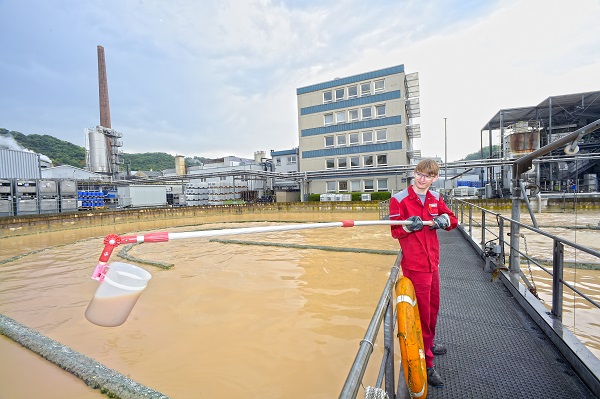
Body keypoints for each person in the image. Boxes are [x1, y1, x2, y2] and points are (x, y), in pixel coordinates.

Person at [389, 159, 458, 388]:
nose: (421, 179)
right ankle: (427, 363)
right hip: (415, 266)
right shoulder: (399, 199)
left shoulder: (436, 198)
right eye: (419, 173)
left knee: (433, 308)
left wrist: (442, 220)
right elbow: (395, 231)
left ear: (434, 178)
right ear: (414, 173)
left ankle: (428, 344)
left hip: (433, 263)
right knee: (423, 314)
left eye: (427, 176)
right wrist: (409, 226)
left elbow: (453, 220)